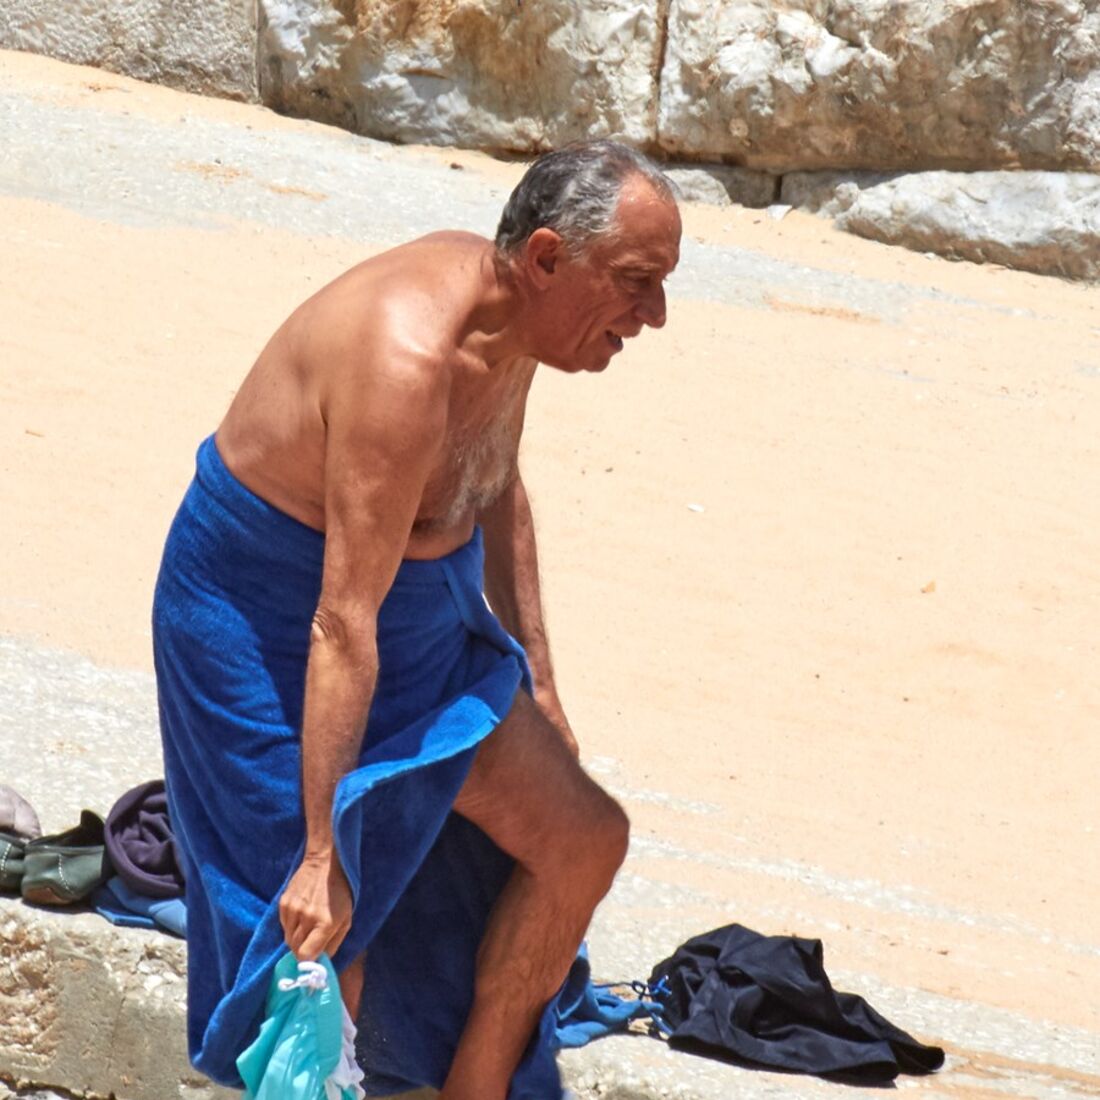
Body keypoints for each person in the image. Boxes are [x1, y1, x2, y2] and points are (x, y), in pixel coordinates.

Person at [153, 139, 681, 1100]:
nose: (653, 316)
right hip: (269, 627)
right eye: (638, 283)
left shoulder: (516, 324)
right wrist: (321, 854)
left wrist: (541, 685)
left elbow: (496, 486)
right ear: (549, 259)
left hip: (424, 622)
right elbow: (341, 622)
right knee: (321, 941)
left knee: (583, 839)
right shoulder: (405, 360)